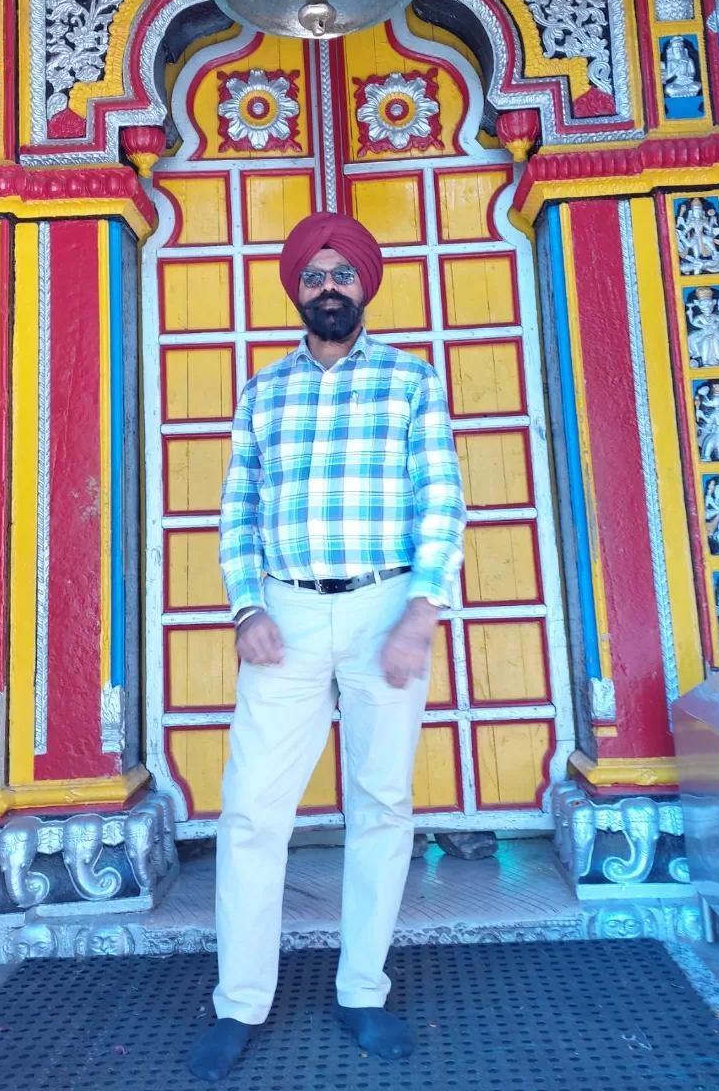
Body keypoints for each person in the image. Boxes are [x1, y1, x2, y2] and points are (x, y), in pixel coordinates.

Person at [188, 211, 466, 1083]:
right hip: (287, 616)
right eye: (315, 276)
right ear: (297, 290)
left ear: (366, 287)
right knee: (250, 811)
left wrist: (421, 611)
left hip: (388, 606)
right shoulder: (262, 392)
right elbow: (237, 510)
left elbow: (441, 498)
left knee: (381, 804)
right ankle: (239, 1001)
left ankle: (363, 989)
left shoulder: (412, 381)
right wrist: (244, 609)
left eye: (344, 274)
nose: (330, 287)